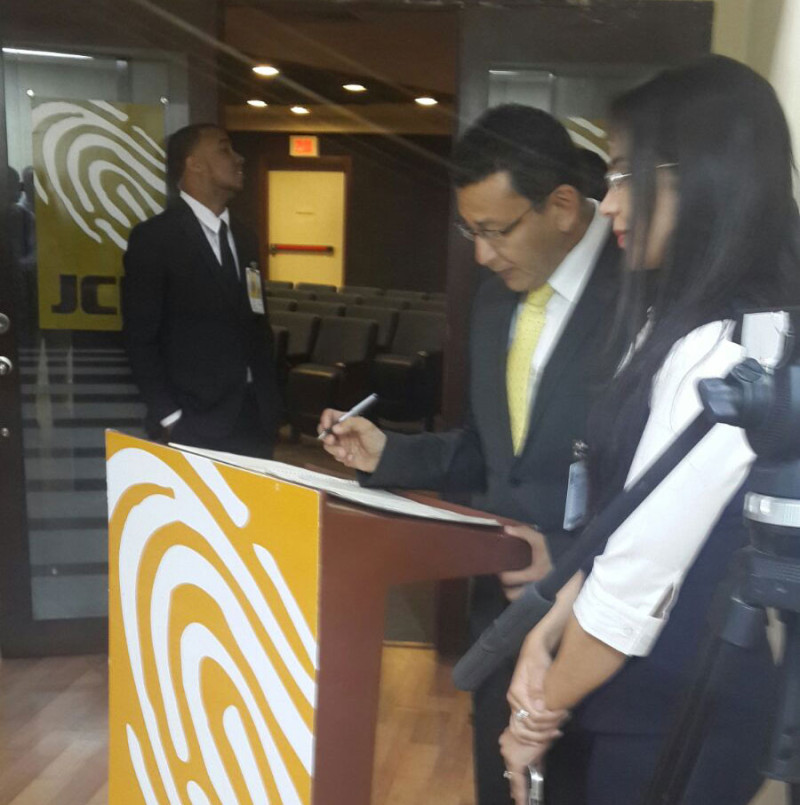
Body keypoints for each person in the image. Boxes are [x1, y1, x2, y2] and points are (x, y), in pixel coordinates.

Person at [500, 55, 800, 805]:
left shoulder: (733, 347)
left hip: (677, 716)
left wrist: (535, 716)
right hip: (647, 697)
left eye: (626, 175)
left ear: (706, 176)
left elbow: (635, 586)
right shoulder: (686, 320)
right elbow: (622, 518)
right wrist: (547, 626)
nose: (608, 203)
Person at [319, 104, 623, 805]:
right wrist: (388, 453)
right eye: (471, 231)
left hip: (604, 629)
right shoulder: (493, 304)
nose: (482, 254)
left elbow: (664, 488)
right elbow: (489, 454)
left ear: (562, 206)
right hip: (501, 622)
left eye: (497, 230)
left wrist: (569, 559)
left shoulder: (642, 296)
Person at [122, 123, 280, 458]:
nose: (238, 158)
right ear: (193, 164)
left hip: (253, 419)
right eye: (224, 149)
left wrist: (272, 404)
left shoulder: (245, 237)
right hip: (192, 423)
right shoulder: (155, 238)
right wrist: (169, 417)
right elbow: (140, 338)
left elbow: (257, 322)